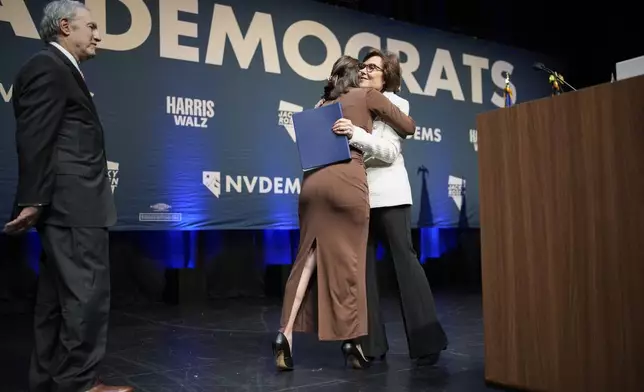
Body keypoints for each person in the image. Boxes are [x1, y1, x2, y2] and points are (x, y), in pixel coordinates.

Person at [2, 1, 131, 391]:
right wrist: (33, 200)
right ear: (63, 27)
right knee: (84, 297)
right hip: (72, 206)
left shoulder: (60, 70)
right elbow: (34, 138)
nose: (98, 34)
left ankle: (49, 380)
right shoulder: (48, 67)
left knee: (57, 300)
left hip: (67, 205)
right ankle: (79, 383)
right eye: (90, 26)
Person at [272, 55, 416, 371]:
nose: (367, 72)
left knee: (306, 260)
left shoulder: (322, 103)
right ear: (356, 75)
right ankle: (351, 341)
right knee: (351, 265)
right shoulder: (367, 96)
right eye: (363, 69)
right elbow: (408, 126)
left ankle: (285, 334)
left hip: (312, 186)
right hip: (348, 183)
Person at [332, 49, 448, 365]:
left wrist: (353, 134)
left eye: (373, 67)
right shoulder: (352, 102)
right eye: (363, 66)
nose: (366, 71)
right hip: (358, 197)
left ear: (387, 77)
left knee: (406, 264)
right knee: (363, 271)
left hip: (390, 196)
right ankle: (370, 346)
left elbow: (386, 153)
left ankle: (427, 342)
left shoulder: (396, 104)